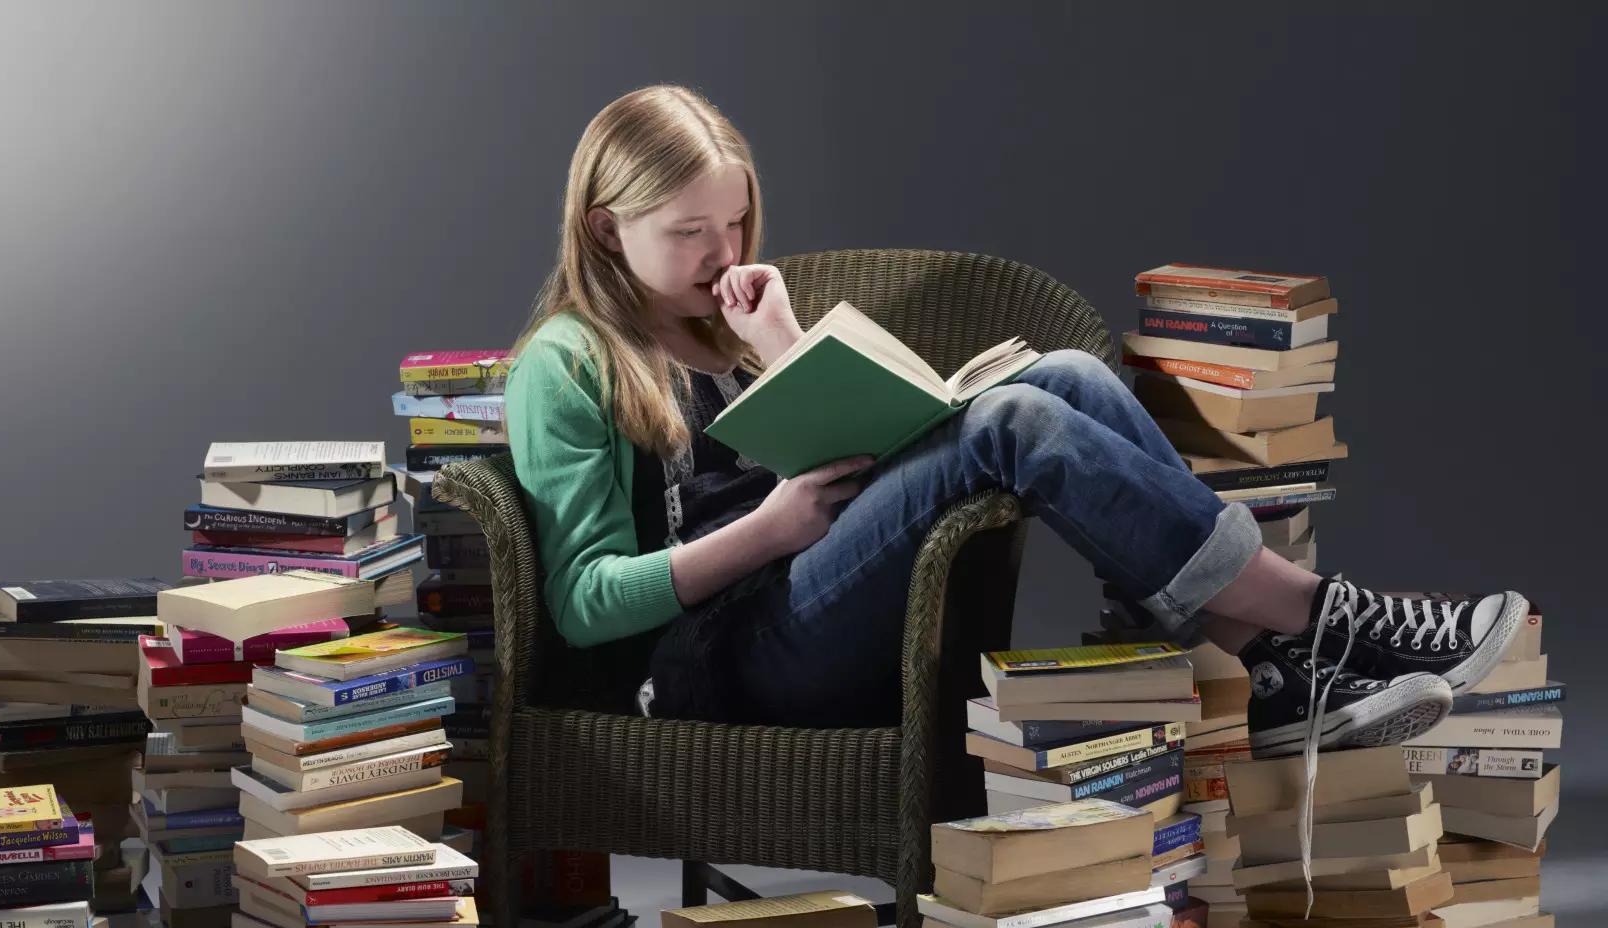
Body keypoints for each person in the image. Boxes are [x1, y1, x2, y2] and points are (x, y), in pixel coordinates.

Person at [502, 84, 1529, 759]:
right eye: (688, 233)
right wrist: (767, 529)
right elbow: (585, 604)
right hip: (712, 673)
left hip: (811, 603)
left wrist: (781, 346)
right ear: (604, 226)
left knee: (1067, 375)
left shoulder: (720, 321)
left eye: (733, 223)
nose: (722, 252)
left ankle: (1250, 665)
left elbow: (842, 461)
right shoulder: (567, 362)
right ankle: (1323, 617)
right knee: (1013, 425)